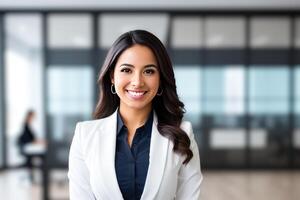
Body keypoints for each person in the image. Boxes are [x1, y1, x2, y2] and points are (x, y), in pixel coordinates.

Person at [68, 30, 203, 200]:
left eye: (149, 71)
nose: (137, 82)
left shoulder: (182, 134)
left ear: (160, 78)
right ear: (112, 76)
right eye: (126, 70)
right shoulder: (85, 135)